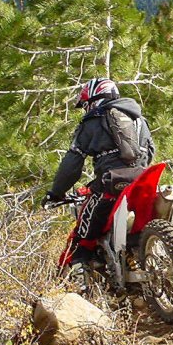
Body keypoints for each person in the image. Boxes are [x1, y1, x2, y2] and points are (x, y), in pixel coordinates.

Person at [42, 78, 155, 265]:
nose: (86, 109)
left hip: (111, 185)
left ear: (94, 100)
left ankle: (79, 275)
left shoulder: (92, 121)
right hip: (143, 181)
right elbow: (150, 153)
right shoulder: (141, 121)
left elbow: (72, 164)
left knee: (81, 237)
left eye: (86, 105)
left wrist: (56, 193)